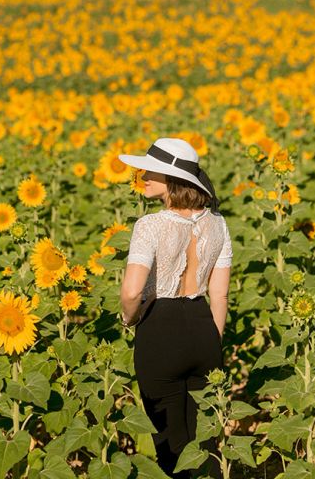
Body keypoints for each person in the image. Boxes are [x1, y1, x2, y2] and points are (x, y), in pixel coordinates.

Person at [117, 137, 232, 479]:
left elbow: (132, 291)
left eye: (153, 171)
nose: (143, 175)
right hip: (203, 327)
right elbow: (220, 295)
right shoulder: (218, 223)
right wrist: (214, 340)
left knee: (169, 442)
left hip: (159, 330)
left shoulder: (149, 225)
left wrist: (129, 318)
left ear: (173, 180)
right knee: (205, 440)